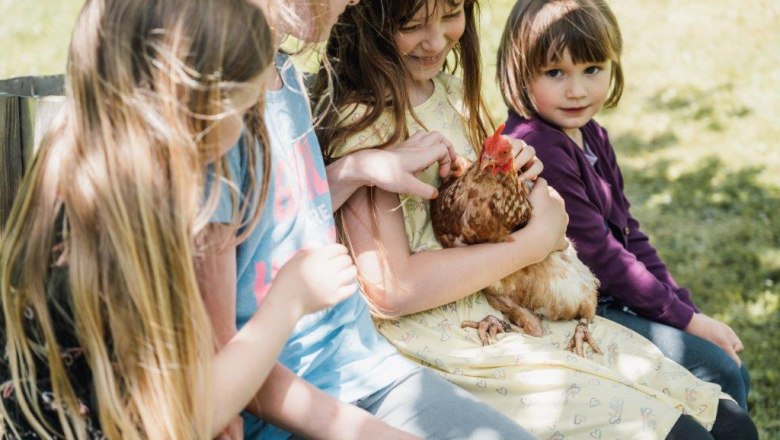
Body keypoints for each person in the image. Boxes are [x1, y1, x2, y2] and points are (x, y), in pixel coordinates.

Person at [313, 0, 758, 438]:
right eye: (412, 24)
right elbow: (393, 288)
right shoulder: (365, 122)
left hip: (510, 306)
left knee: (729, 423)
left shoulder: (444, 91)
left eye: (451, 15)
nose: (435, 40)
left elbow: (472, 219)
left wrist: (508, 179)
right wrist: (534, 241)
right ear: (367, 16)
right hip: (451, 342)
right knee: (681, 432)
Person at [0, 0, 357, 438]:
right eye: (241, 111)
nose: (239, 135)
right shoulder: (124, 236)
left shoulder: (84, 167)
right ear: (189, 104)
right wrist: (289, 301)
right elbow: (186, 414)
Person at [197, 0, 537, 439]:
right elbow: (222, 365)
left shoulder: (282, 77)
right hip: (289, 407)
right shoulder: (214, 122)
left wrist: (354, 171)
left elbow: (277, 220)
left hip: (368, 370)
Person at [497, 0, 751, 412]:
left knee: (732, 369)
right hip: (570, 309)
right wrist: (687, 323)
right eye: (555, 72)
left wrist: (684, 309)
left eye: (592, 69)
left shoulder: (590, 133)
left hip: (610, 294)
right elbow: (601, 255)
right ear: (519, 73)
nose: (577, 90)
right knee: (719, 371)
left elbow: (628, 233)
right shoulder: (539, 146)